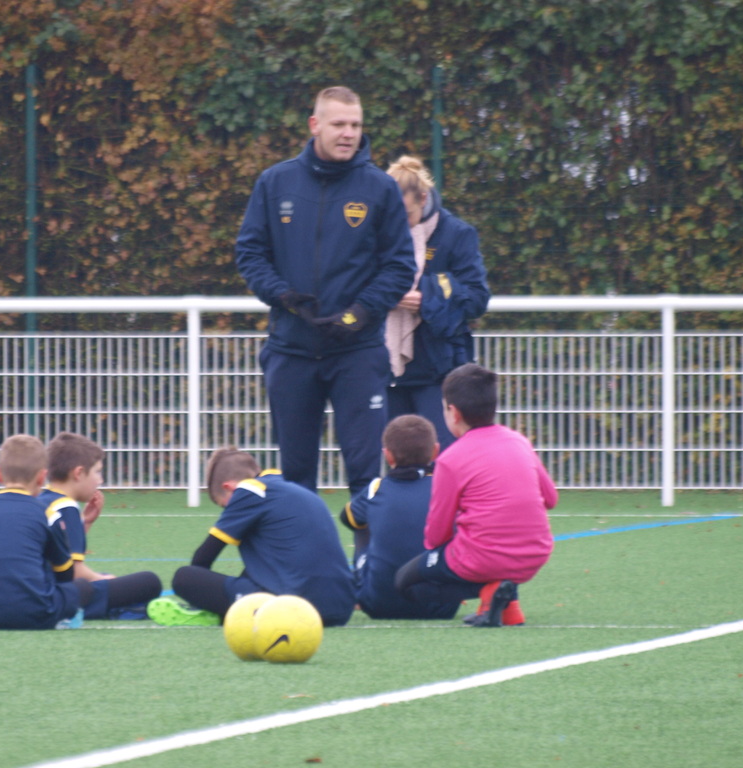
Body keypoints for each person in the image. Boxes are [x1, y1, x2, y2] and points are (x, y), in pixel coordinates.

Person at [235, 86, 416, 499]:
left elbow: (399, 265)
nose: (349, 133)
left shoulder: (380, 188)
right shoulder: (275, 182)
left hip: (358, 352)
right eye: (339, 124)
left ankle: (368, 544)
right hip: (291, 350)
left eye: (355, 124)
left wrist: (360, 312)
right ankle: (303, 546)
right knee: (295, 477)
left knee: (365, 475)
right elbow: (250, 253)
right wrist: (282, 296)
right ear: (315, 125)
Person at [394, 363, 557, 627]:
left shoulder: (450, 460)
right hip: (535, 554)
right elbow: (551, 499)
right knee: (494, 546)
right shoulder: (519, 441)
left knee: (405, 582)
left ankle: (489, 591)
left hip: (482, 559)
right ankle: (508, 604)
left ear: (454, 413)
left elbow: (437, 536)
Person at [148, 447, 355, 628]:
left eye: (224, 505)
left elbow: (203, 557)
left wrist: (201, 598)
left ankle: (216, 614)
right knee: (256, 567)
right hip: (340, 608)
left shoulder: (249, 491)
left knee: (185, 577)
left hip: (293, 607)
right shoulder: (289, 486)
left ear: (228, 487)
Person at [383, 156, 491, 450]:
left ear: (423, 198)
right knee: (396, 461)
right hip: (385, 370)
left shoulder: (457, 234)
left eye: (406, 214)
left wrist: (427, 299)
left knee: (443, 458)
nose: (398, 222)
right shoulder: (378, 232)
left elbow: (477, 299)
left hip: (438, 372)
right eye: (392, 213)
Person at [0, 434, 95, 630]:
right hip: (37, 615)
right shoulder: (48, 514)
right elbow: (64, 573)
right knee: (82, 587)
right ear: (42, 477)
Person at [339, 414, 457, 619]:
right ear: (436, 451)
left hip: (378, 604)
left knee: (361, 523)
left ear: (388, 455)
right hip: (442, 606)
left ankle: (361, 587)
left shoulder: (376, 488)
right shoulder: (446, 487)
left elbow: (346, 518)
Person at [39, 432, 162, 620]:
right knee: (149, 582)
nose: (100, 480)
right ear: (78, 473)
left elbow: (60, 552)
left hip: (39, 588)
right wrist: (100, 579)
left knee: (105, 580)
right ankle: (116, 609)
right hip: (58, 594)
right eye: (97, 472)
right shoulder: (67, 507)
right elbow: (75, 572)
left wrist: (86, 522)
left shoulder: (42, 499)